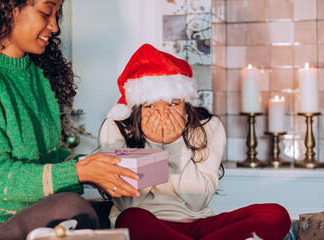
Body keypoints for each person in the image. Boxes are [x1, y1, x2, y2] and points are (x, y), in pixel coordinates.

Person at [0, 0, 140, 239]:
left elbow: (46, 157)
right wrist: (79, 172)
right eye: (46, 12)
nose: (55, 26)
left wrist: (96, 167)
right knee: (70, 208)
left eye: (57, 14)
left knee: (126, 215)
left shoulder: (36, 72)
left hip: (31, 214)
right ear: (6, 8)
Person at [99, 44, 292, 240]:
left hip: (199, 224)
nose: (163, 114)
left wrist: (174, 145)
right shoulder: (117, 127)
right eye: (150, 106)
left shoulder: (208, 126)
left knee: (276, 215)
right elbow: (126, 203)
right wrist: (153, 145)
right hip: (147, 223)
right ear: (137, 108)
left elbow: (197, 201)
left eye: (173, 103)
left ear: (186, 102)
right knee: (130, 219)